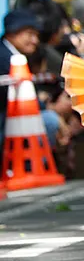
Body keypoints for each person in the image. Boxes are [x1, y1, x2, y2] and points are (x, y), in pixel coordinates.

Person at [1, 9, 43, 170]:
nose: (35, 41)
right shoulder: (5, 57)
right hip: (7, 121)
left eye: (36, 35)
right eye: (30, 34)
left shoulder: (14, 55)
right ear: (12, 33)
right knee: (50, 121)